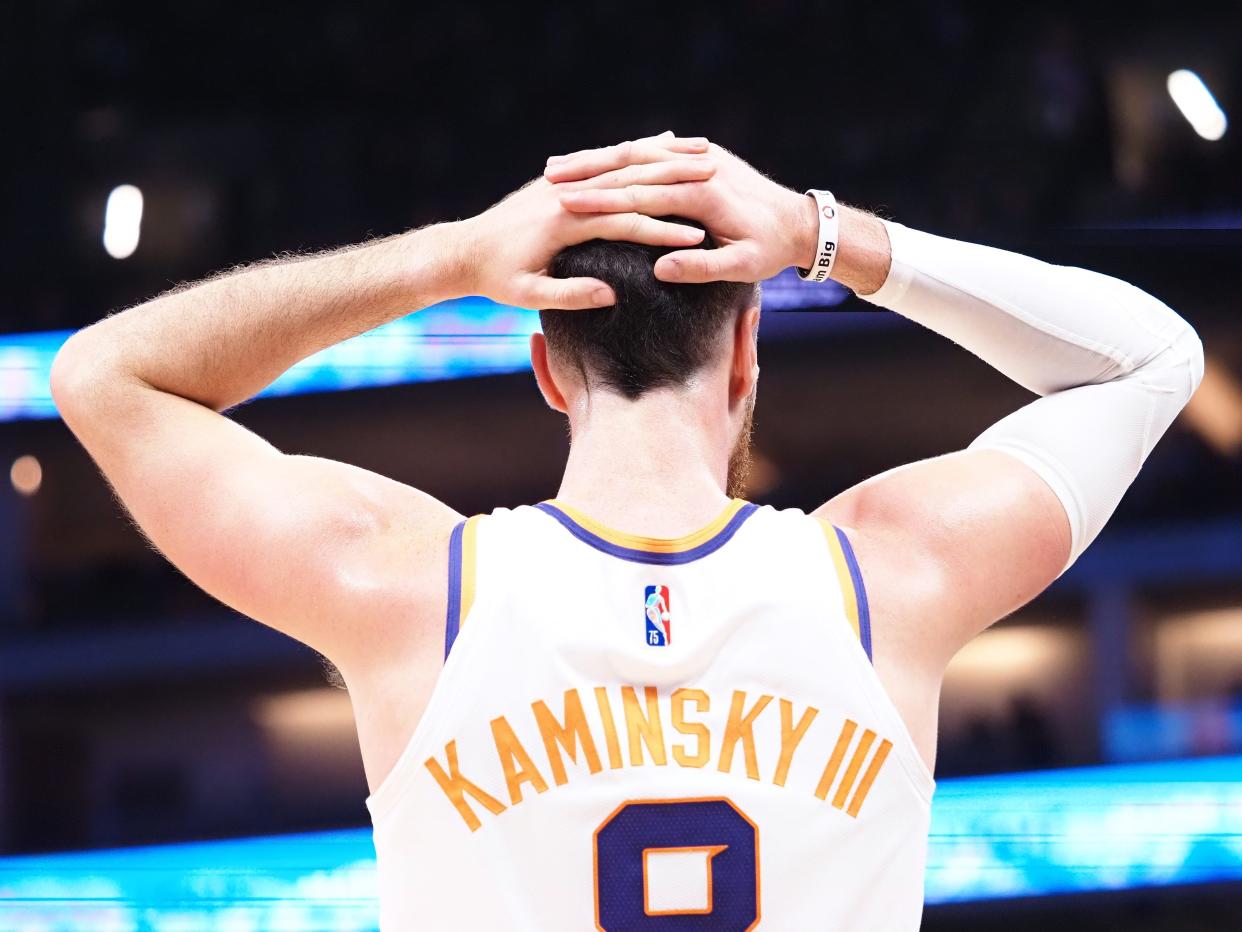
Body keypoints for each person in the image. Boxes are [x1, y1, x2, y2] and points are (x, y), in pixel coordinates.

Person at [51, 132, 1203, 930]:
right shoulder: (887, 572)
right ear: (750, 353)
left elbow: (106, 376)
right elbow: (1151, 355)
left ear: (546, 364)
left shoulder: (409, 587)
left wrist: (451, 256)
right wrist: (821, 232)